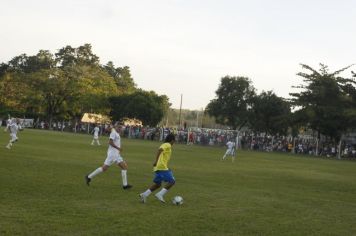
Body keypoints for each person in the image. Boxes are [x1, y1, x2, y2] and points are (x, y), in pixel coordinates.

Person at [85, 123, 132, 190]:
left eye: (121, 128)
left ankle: (125, 185)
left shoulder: (116, 133)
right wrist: (118, 148)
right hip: (113, 154)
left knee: (124, 167)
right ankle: (89, 177)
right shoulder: (113, 133)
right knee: (104, 168)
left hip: (116, 154)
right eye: (119, 128)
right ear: (116, 127)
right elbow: (110, 142)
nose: (121, 129)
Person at [139, 133, 176, 203]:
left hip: (160, 167)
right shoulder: (167, 144)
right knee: (172, 181)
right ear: (172, 140)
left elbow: (163, 155)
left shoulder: (167, 145)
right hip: (161, 167)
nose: (174, 142)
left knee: (158, 184)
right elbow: (160, 150)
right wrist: (156, 161)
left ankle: (144, 194)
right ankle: (160, 194)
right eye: (174, 140)